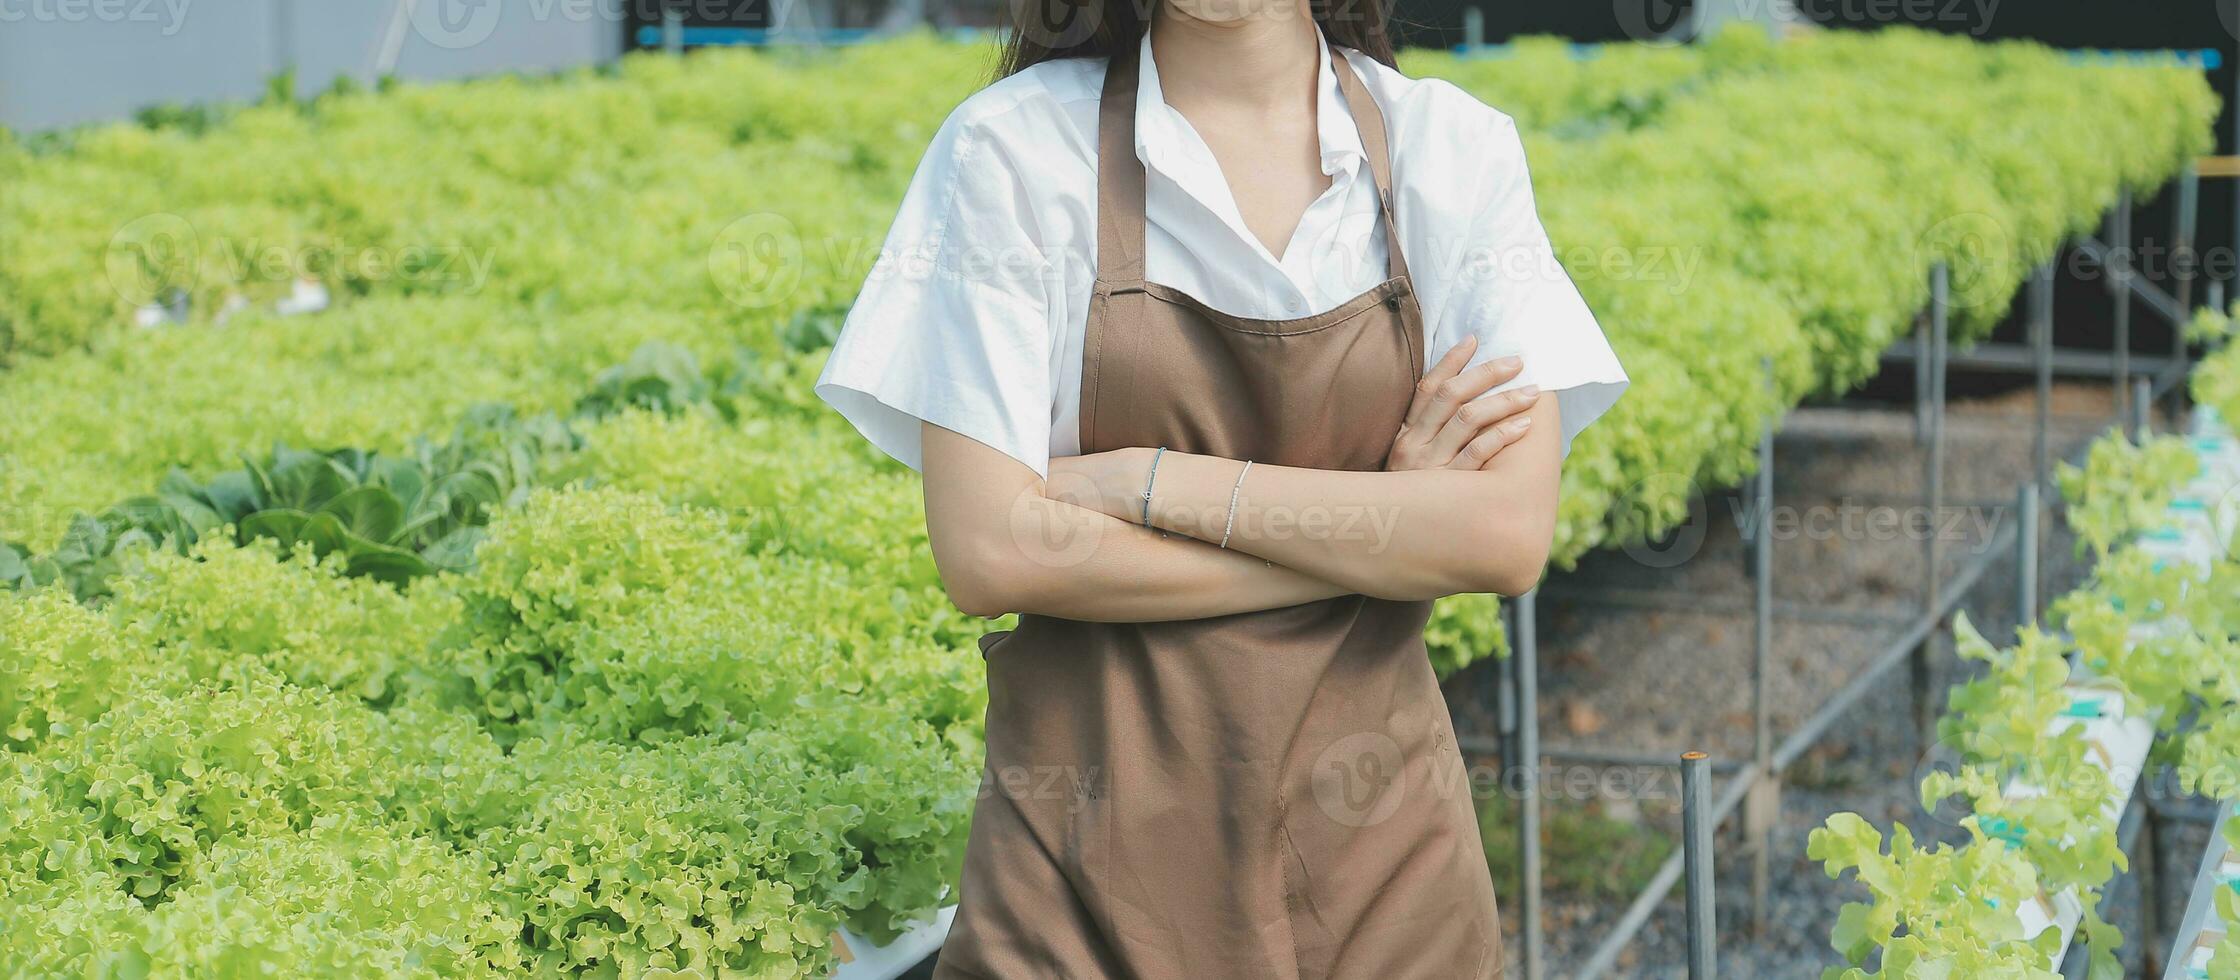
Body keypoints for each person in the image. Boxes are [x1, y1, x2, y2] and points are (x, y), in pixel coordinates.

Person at [817, 0, 1626, 973]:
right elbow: (991, 552)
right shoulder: (1014, 151)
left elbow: (1499, 537)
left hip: (1380, 874)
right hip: (1078, 881)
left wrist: (1146, 479)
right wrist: (1381, 534)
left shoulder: (1449, 152)